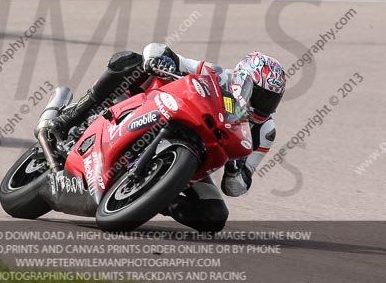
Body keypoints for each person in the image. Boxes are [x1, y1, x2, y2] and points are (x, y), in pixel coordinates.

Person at [51, 43, 286, 233]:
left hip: (195, 162)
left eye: (270, 101)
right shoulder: (217, 74)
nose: (262, 106)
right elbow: (158, 49)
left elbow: (236, 188)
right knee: (130, 62)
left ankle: (153, 194)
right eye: (260, 96)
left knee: (214, 217)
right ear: (242, 80)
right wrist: (158, 59)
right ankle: (76, 113)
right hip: (166, 111)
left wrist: (236, 168)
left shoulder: (264, 131)